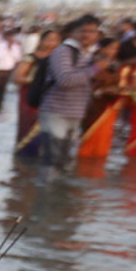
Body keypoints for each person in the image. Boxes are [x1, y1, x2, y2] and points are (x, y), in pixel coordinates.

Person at [38, 14, 100, 164]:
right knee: (52, 159)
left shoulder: (90, 54)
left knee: (65, 160)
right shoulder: (63, 51)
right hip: (56, 112)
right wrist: (95, 69)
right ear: (74, 32)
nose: (87, 35)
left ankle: (57, 187)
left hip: (76, 113)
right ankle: (47, 186)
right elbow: (65, 80)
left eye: (92, 31)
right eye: (83, 31)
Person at [13, 29, 60, 158]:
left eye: (55, 40)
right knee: (28, 128)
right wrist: (36, 80)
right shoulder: (32, 57)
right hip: (31, 96)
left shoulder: (61, 60)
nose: (52, 43)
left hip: (52, 98)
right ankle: (24, 157)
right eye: (49, 40)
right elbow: (17, 77)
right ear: (42, 41)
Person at [76, 38, 123, 159]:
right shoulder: (92, 62)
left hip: (109, 103)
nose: (113, 51)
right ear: (101, 48)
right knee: (90, 133)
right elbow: (88, 81)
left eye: (116, 49)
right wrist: (101, 90)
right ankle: (85, 161)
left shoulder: (115, 63)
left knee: (104, 135)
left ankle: (98, 160)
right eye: (110, 48)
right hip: (93, 103)